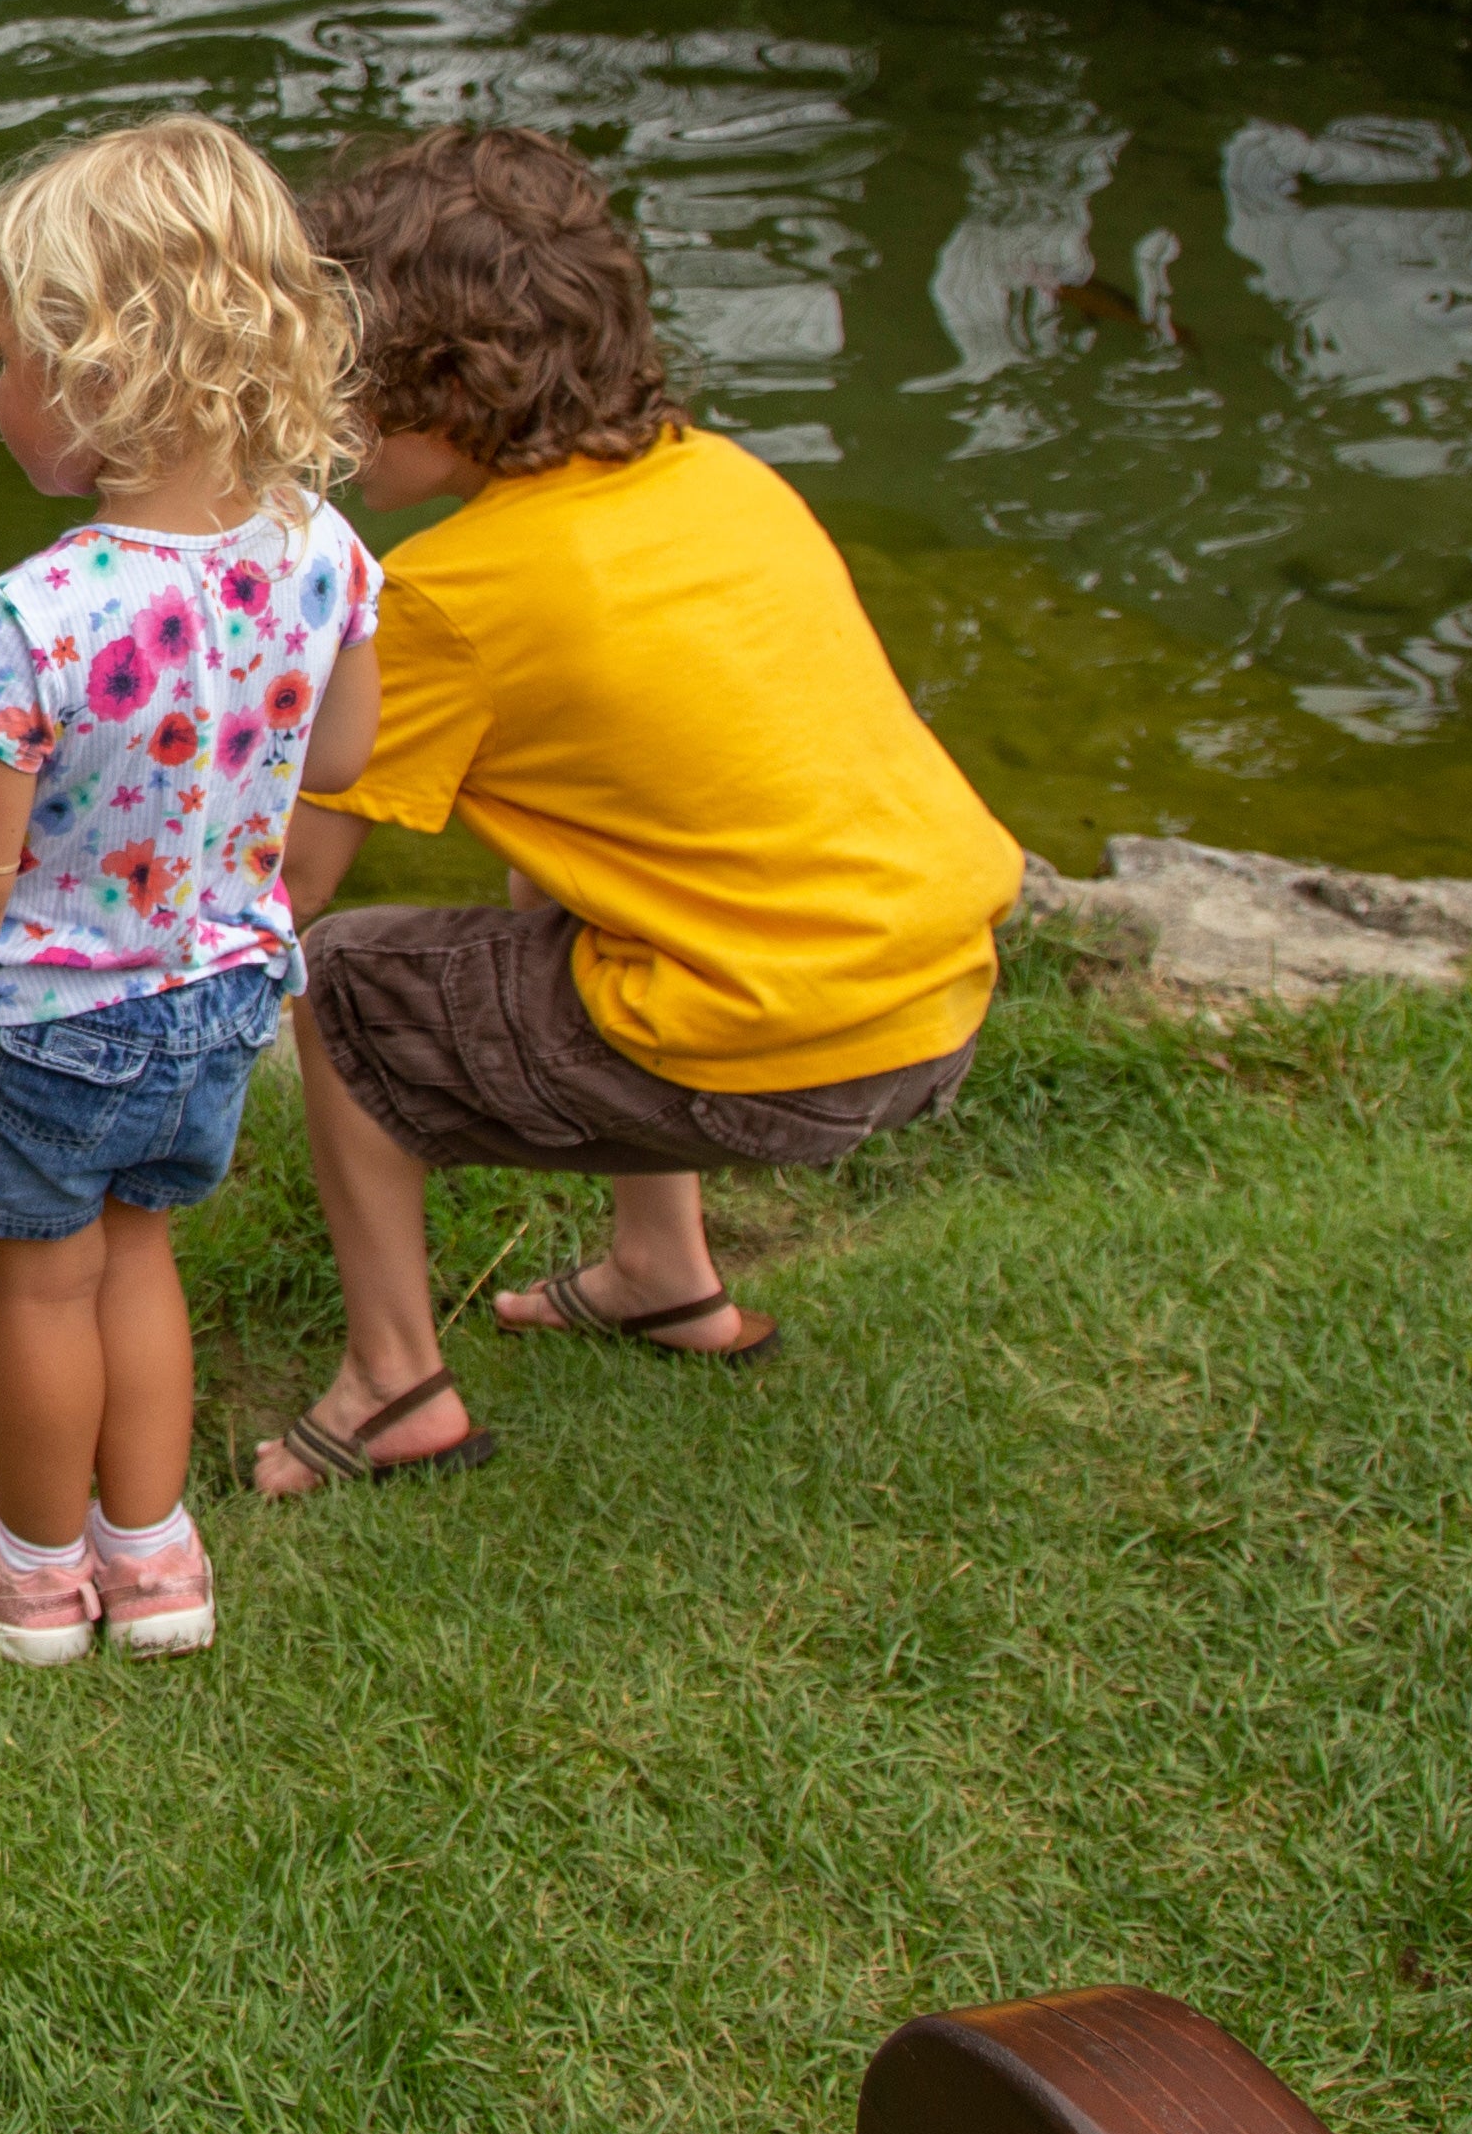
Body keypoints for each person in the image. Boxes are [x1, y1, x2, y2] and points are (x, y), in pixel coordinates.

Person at [254, 126, 1023, 1497]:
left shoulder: (455, 596)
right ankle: (665, 1275)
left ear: (440, 385)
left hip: (782, 1047)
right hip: (938, 995)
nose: (326, 407)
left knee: (346, 986)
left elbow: (291, 881)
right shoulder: (723, 479)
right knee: (549, 860)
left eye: (344, 375)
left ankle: (392, 1388)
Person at [0, 119, 377, 1664]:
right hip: (220, 995)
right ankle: (154, 1561)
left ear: (103, 377)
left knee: (40, 1286)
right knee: (141, 1256)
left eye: (13, 360)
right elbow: (341, 760)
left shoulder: (37, 616)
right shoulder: (326, 551)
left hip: (49, 1017)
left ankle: (25, 1567)